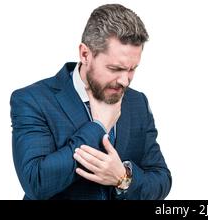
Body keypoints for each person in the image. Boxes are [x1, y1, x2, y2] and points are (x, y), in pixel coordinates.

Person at [10, 4, 171, 200]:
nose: (124, 80)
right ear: (85, 54)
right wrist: (98, 127)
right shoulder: (33, 100)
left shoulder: (137, 102)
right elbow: (36, 181)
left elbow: (161, 179)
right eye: (115, 68)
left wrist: (123, 177)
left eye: (132, 69)